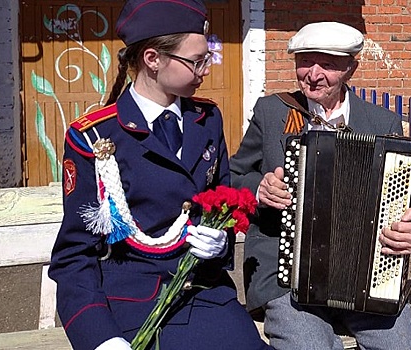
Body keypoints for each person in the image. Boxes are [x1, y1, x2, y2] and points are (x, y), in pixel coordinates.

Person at [48, 1, 270, 349]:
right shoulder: (95, 137)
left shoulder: (207, 119)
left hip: (204, 293)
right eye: (196, 60)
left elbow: (222, 200)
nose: (206, 69)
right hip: (131, 305)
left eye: (206, 57)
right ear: (152, 59)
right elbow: (74, 256)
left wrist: (220, 242)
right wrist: (99, 338)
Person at [229, 21, 411, 350]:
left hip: (368, 275)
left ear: (351, 68)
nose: (312, 74)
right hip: (288, 277)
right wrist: (259, 190)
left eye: (327, 64)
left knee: (403, 346)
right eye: (305, 61)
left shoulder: (382, 122)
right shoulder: (272, 112)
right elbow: (234, 175)